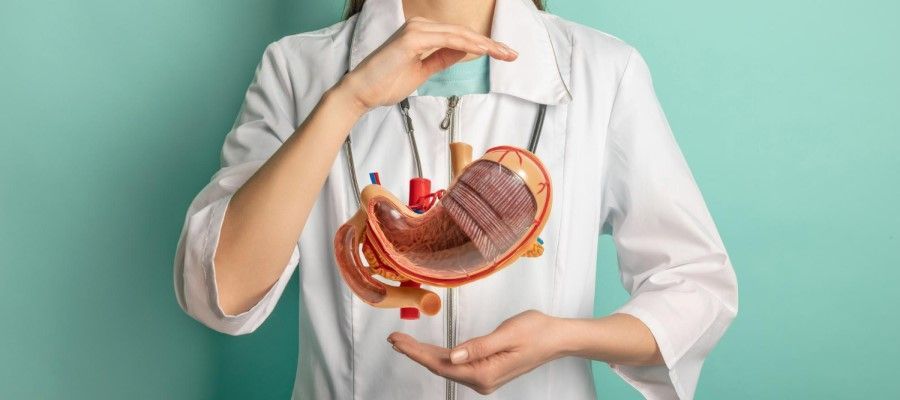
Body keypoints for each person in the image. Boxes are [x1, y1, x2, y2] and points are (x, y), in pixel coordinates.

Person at [173, 0, 738, 398]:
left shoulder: (601, 72)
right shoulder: (299, 70)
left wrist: (564, 338)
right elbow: (219, 294)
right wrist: (348, 100)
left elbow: (697, 286)